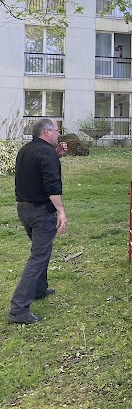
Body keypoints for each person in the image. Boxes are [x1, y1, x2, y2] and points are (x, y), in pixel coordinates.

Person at [8, 118, 68, 325]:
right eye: (57, 131)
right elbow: (52, 186)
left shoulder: (26, 150)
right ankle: (18, 310)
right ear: (47, 132)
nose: (59, 134)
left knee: (41, 251)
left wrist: (56, 155)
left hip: (24, 209)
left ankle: (39, 290)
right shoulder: (45, 154)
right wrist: (61, 212)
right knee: (38, 257)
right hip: (41, 211)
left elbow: (36, 173)